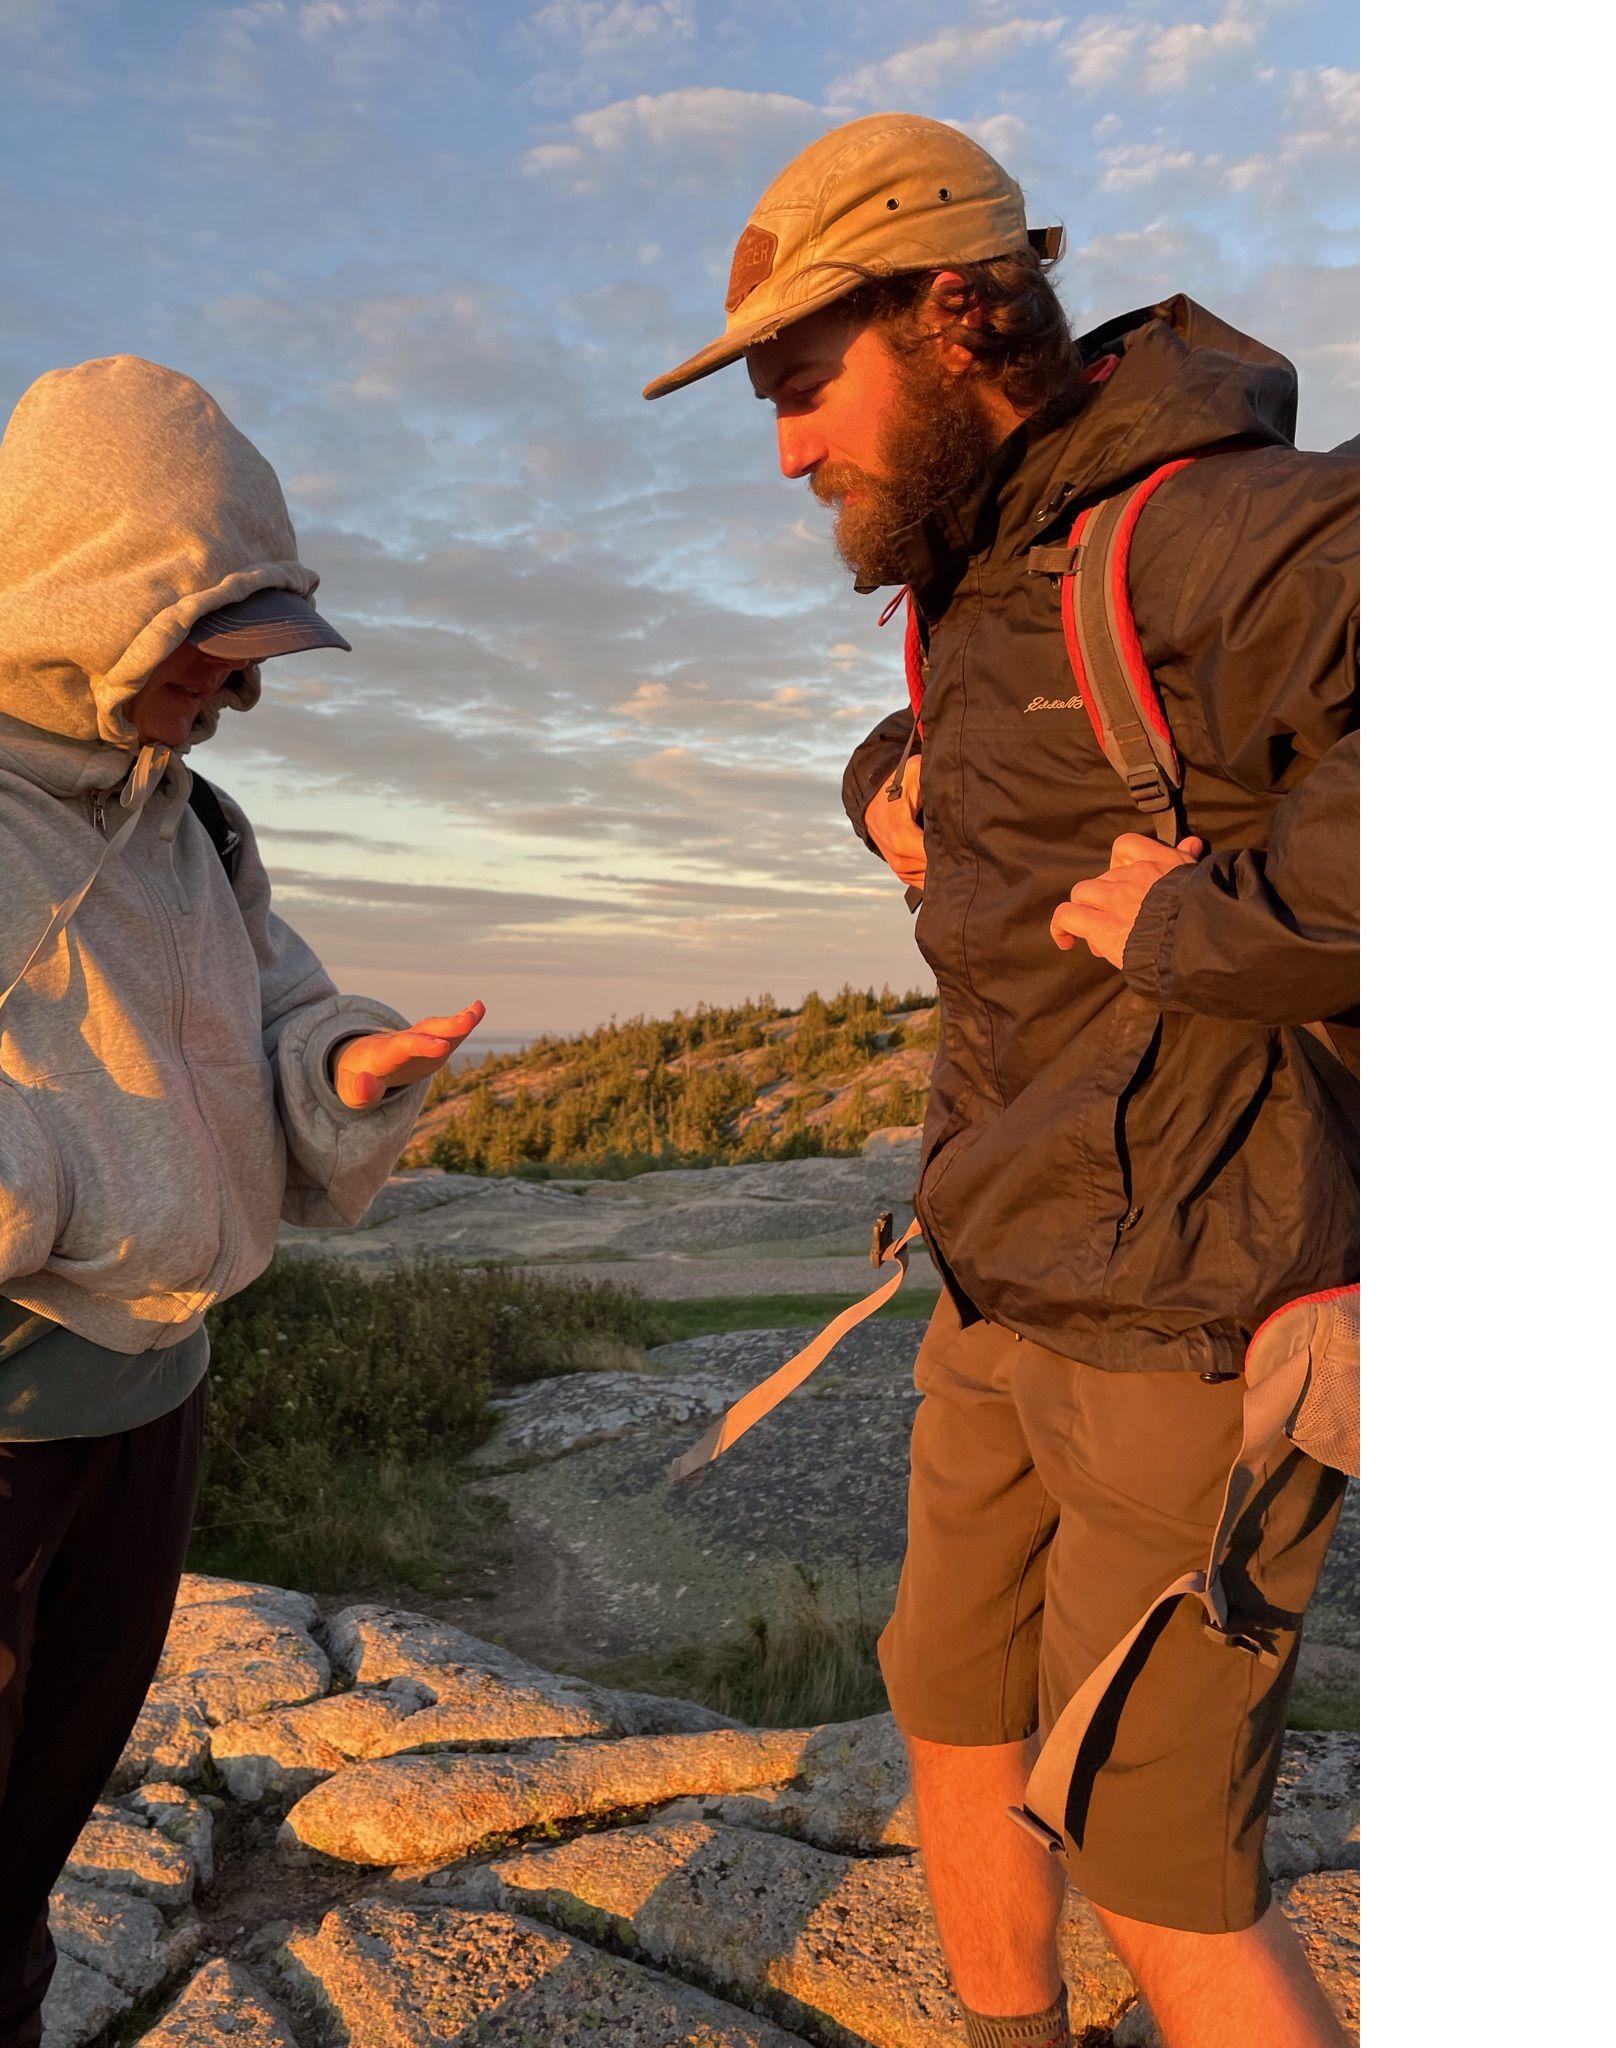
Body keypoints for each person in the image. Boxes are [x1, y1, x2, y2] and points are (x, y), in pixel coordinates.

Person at [643, 115, 1357, 2048]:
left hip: (1204, 1323)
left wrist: (1212, 930)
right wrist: (881, 783)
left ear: (958, 312)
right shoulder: (987, 557)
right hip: (996, 1276)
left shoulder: (1232, 524)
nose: (786, 448)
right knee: (952, 1712)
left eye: (805, 384)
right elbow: (988, 742)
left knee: (1159, 1864)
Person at [0, 354, 482, 2046]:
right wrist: (47, 1166)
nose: (237, 695)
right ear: (91, 586)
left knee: (5, 1917)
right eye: (211, 640)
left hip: (144, 1432)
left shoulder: (197, 823)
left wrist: (334, 1072)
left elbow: (273, 1007)